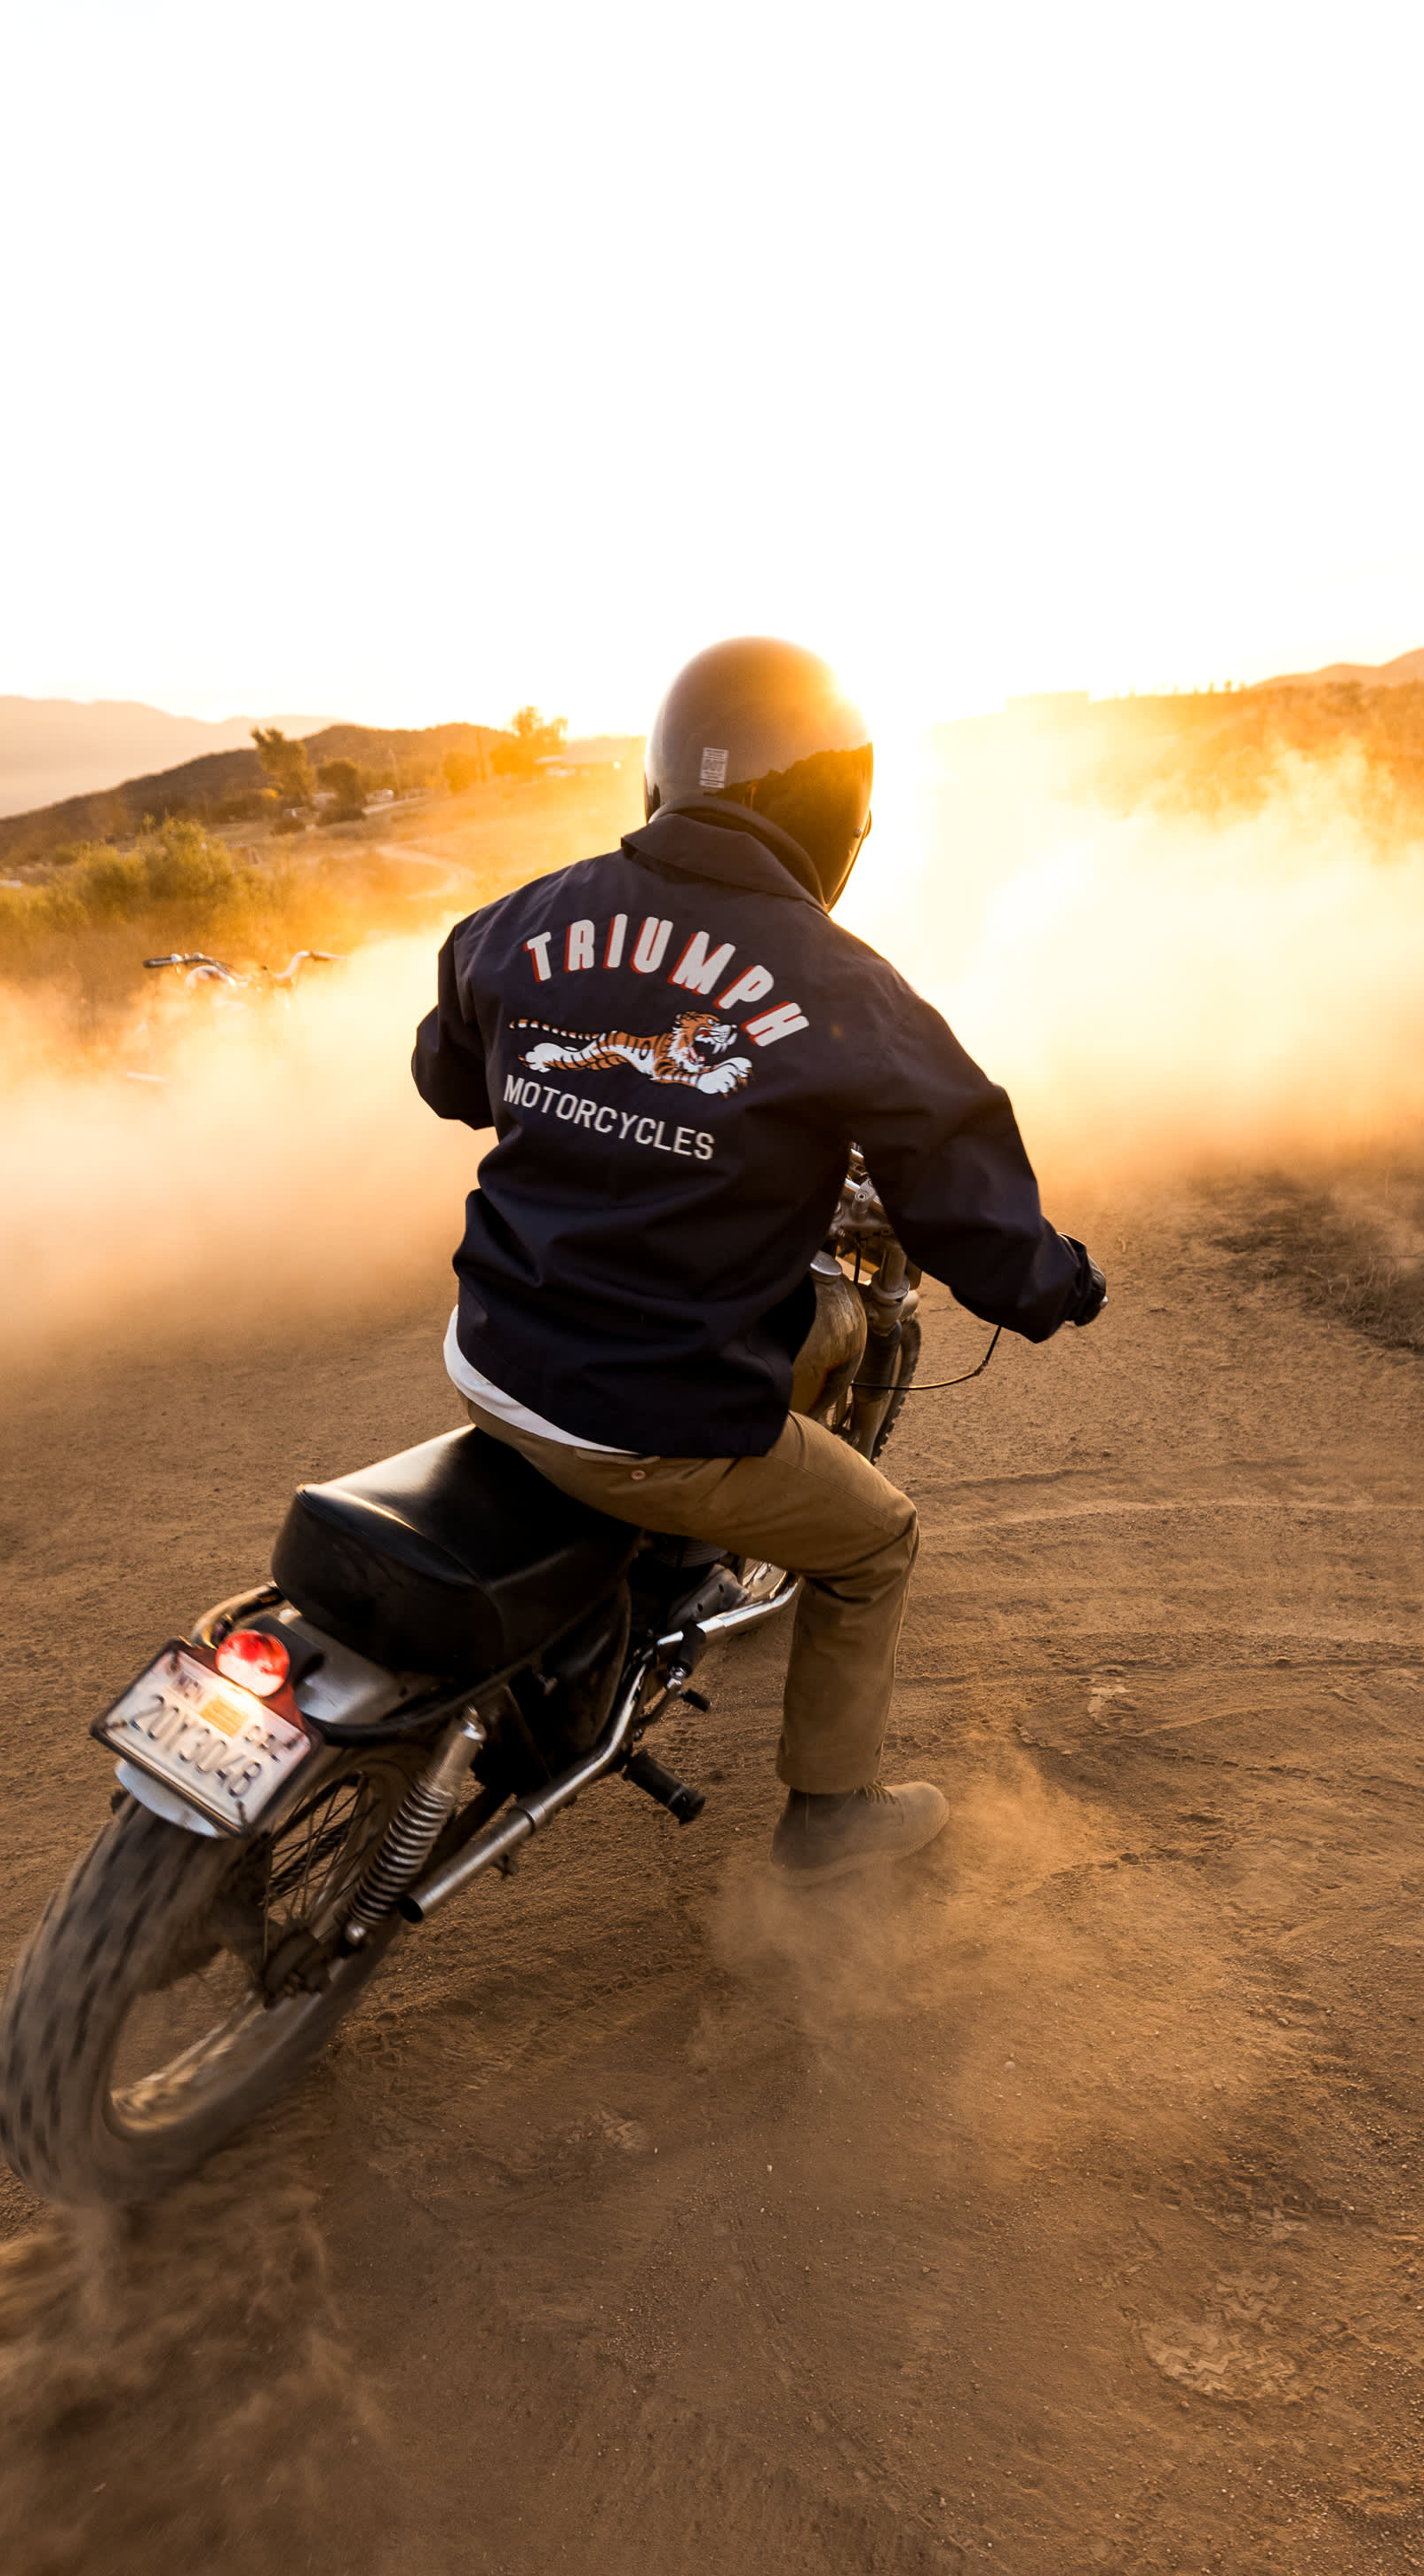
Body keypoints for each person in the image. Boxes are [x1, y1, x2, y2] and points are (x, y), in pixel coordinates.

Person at [411, 636, 1104, 1880]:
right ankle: (831, 1823)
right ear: (844, 813)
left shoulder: (523, 917)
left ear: (664, 773)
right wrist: (1057, 1282)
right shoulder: (846, 988)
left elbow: (447, 1075)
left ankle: (659, 1582)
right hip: (648, 1420)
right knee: (875, 1539)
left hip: (489, 1360)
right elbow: (966, 1213)